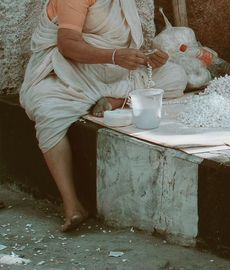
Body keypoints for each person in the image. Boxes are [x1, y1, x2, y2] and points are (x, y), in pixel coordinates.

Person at [19, 0, 187, 231]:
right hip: (71, 72)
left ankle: (115, 100)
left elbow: (120, 44)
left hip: (113, 73)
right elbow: (67, 44)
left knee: (175, 76)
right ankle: (72, 204)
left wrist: (146, 59)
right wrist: (115, 56)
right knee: (47, 109)